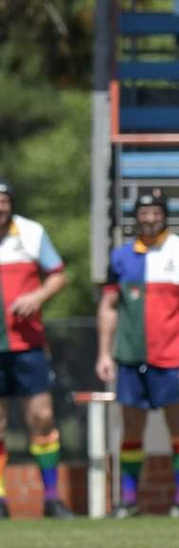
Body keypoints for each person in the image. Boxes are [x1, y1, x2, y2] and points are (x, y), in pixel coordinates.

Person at [95, 188, 179, 518]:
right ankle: (129, 501)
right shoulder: (122, 257)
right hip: (131, 356)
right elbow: (109, 305)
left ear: (164, 214)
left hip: (173, 356)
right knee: (131, 429)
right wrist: (104, 353)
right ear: (136, 217)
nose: (149, 218)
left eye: (155, 212)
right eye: (143, 213)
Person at [0, 179, 73, 519]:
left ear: (10, 204)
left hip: (27, 343)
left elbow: (59, 275)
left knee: (42, 417)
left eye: (3, 200)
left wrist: (37, 296)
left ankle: (53, 498)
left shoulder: (31, 232)